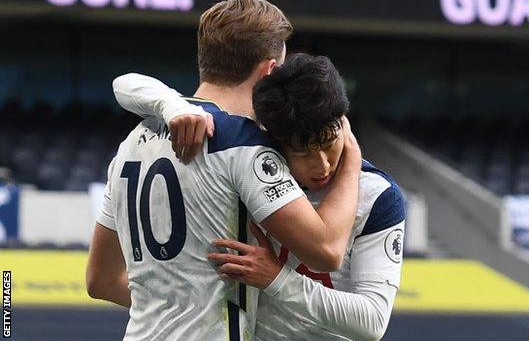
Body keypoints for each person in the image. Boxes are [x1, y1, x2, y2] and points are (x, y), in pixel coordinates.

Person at [86, 0, 361, 341]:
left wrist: (175, 302)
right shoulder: (242, 143)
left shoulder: (131, 143)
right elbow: (327, 251)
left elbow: (100, 280)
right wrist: (351, 157)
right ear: (270, 71)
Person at [113, 54, 405, 340]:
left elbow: (372, 321)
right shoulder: (253, 170)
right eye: (302, 152)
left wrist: (277, 279)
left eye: (329, 144)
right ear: (272, 140)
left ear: (344, 124)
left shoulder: (378, 196)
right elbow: (126, 84)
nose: (322, 165)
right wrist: (172, 105)